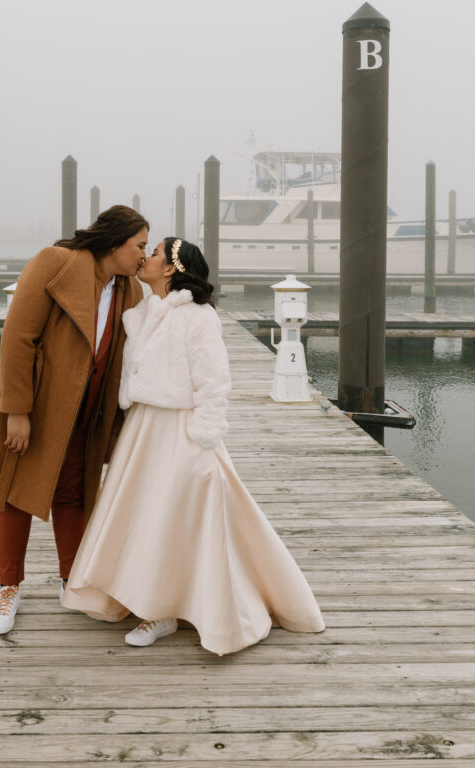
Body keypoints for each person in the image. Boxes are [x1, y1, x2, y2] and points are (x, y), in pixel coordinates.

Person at [61, 236, 325, 656]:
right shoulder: (143, 311)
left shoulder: (197, 316)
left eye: (154, 254)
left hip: (182, 428)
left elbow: (214, 381)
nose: (145, 259)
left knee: (172, 515)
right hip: (143, 427)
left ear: (170, 269)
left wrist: (204, 438)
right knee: (142, 514)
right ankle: (138, 596)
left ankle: (162, 611)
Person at [0, 205, 148, 634]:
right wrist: (17, 411)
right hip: (37, 407)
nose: (143, 255)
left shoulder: (131, 291)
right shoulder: (55, 262)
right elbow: (17, 337)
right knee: (15, 495)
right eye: (139, 246)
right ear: (114, 242)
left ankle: (74, 581)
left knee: (74, 494)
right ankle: (8, 587)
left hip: (88, 412)